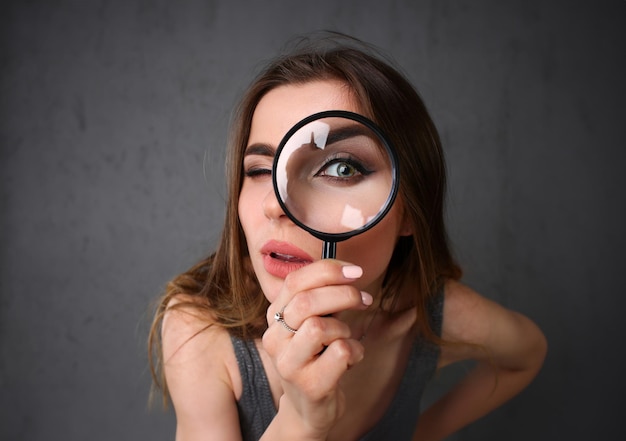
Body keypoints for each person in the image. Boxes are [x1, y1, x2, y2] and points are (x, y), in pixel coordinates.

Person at [148, 33, 547, 441]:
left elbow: (528, 352)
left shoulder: (431, 314)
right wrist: (301, 422)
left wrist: (424, 432)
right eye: (259, 170)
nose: (275, 205)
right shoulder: (197, 329)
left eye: (340, 168)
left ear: (409, 208)